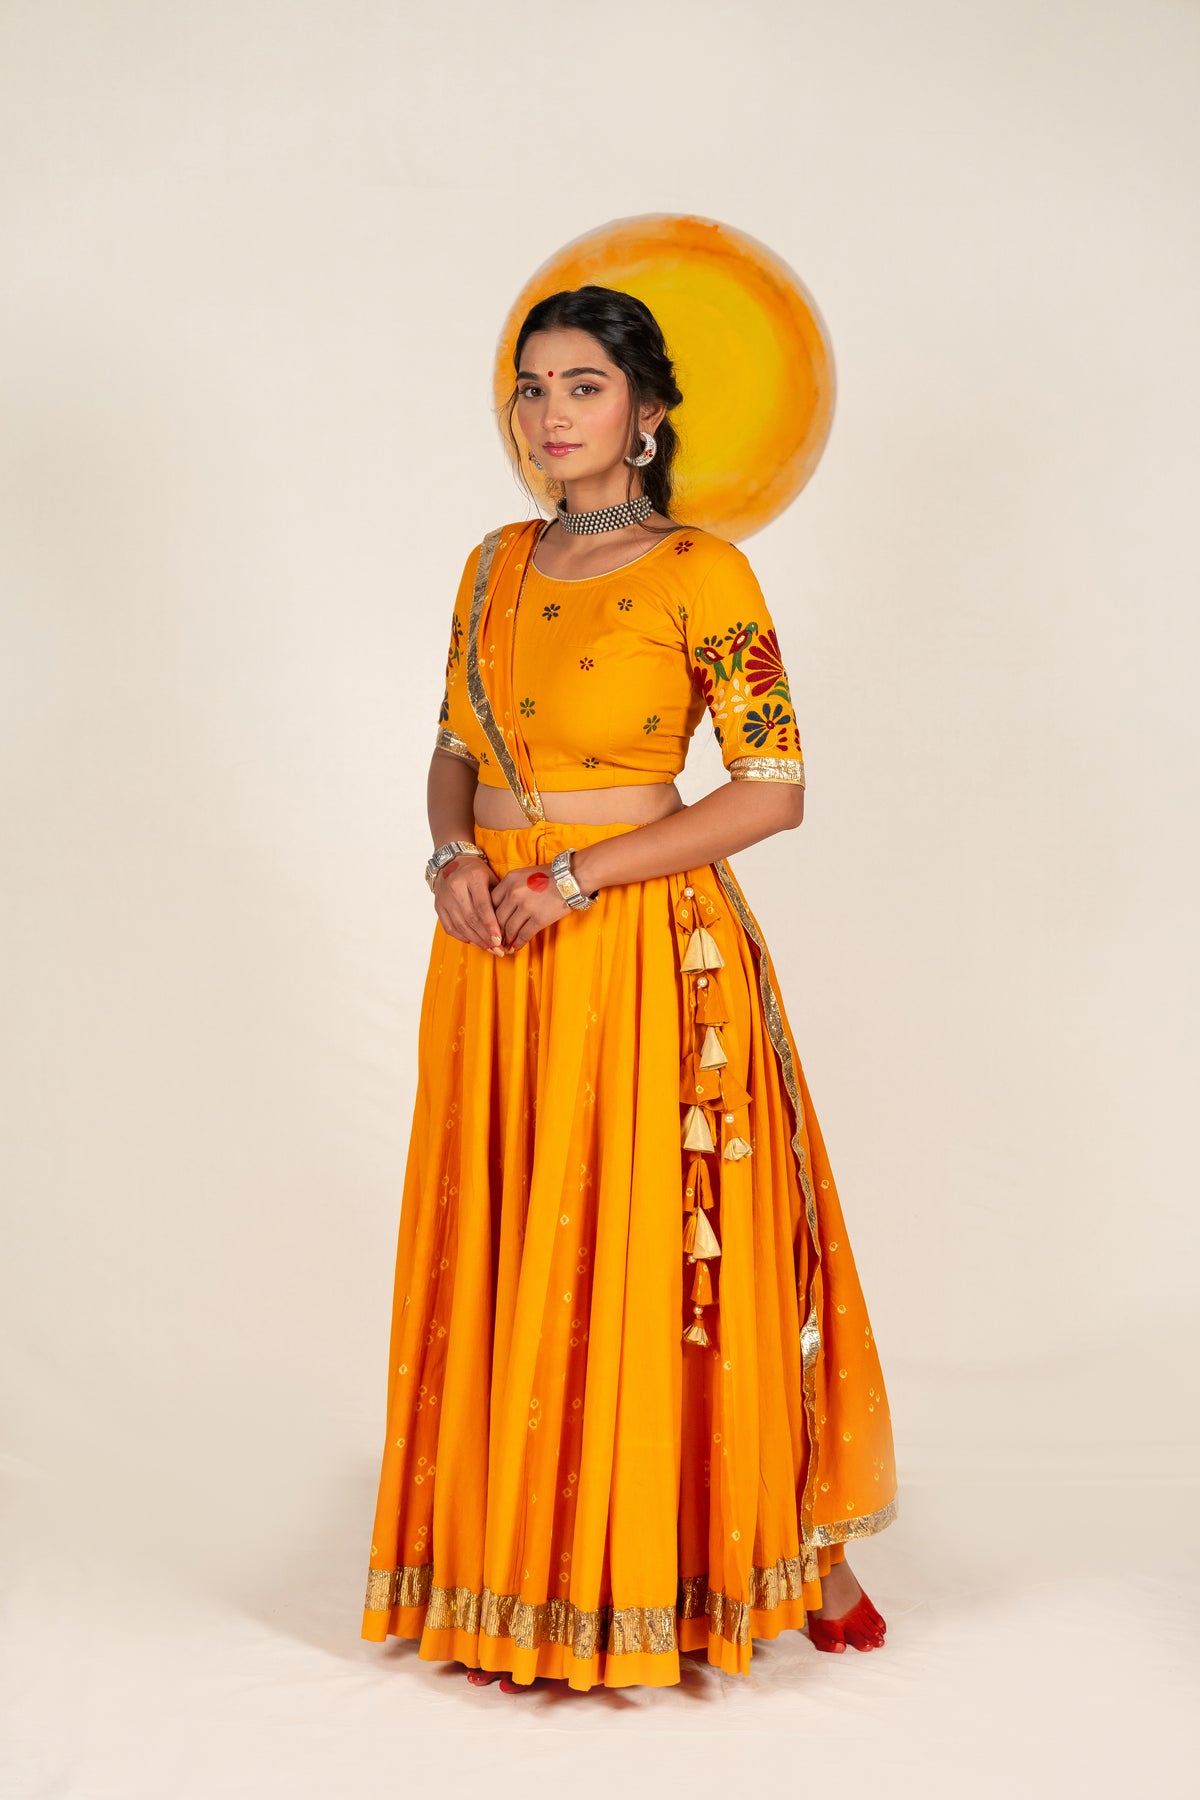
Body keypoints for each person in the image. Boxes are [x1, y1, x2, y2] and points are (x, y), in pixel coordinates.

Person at [360, 284, 897, 1693]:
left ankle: (713, 1552)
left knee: (654, 1242)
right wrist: (450, 858)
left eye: (584, 386)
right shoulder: (492, 565)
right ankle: (519, 1566)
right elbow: (454, 748)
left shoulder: (703, 571)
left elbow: (770, 790)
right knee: (514, 1224)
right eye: (532, 387)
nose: (551, 414)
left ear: (648, 414)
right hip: (493, 947)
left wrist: (574, 879)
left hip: (642, 947)